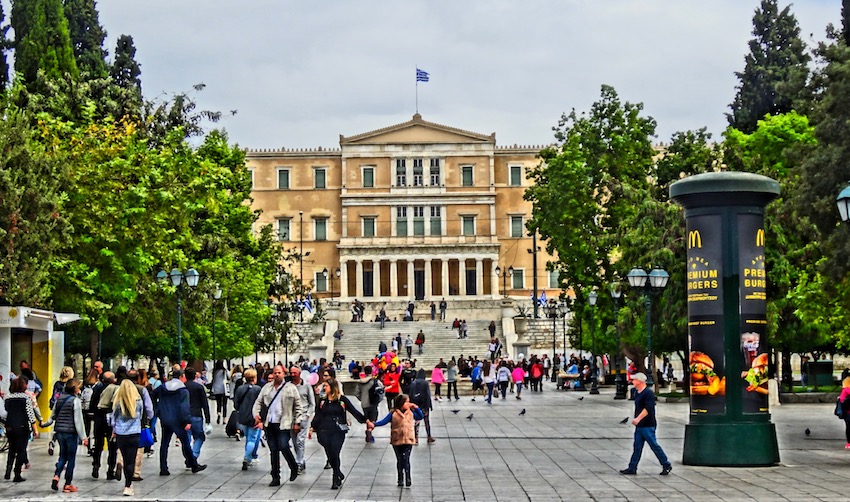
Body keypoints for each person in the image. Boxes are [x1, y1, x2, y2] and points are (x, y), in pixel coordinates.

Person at [308, 378, 371, 489]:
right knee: (330, 453)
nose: (324, 388)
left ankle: (335, 477)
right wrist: (312, 427)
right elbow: (318, 415)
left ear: (332, 387)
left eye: (326, 386)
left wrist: (365, 420)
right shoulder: (322, 401)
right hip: (324, 431)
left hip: (337, 431)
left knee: (335, 452)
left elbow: (354, 411)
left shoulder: (342, 400)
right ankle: (338, 472)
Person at [252, 364, 303, 486]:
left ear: (284, 374)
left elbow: (298, 405)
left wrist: (297, 421)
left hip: (284, 423)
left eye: (279, 372)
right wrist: (256, 414)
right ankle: (275, 476)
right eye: (275, 372)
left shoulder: (290, 388)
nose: (277, 375)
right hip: (270, 423)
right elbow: (258, 402)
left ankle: (294, 467)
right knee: (273, 450)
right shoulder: (267, 388)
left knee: (283, 445)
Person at [153, 369, 206, 476]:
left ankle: (163, 468)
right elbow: (184, 407)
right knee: (186, 443)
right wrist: (187, 420)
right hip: (178, 420)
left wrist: (158, 410)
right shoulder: (183, 390)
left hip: (165, 418)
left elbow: (152, 395)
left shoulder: (163, 387)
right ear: (182, 376)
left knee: (164, 444)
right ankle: (193, 465)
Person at [620, 372, 672, 476]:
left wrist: (638, 419)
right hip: (640, 426)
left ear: (639, 381)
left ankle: (666, 464)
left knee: (654, 445)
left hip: (648, 425)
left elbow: (648, 408)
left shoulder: (648, 393)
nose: (632, 381)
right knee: (637, 447)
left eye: (634, 380)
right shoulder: (637, 392)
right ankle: (632, 467)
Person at [372, 394, 424, 487]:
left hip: (408, 439)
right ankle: (400, 478)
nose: (409, 404)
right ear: (401, 403)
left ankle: (408, 478)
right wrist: (374, 424)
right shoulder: (393, 413)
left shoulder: (411, 413)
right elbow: (384, 421)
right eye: (407, 402)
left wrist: (416, 407)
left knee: (406, 459)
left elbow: (420, 416)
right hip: (397, 439)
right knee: (400, 459)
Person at [112, 379, 150, 496]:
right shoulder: (138, 402)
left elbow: (114, 419)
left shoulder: (118, 403)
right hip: (135, 433)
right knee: (131, 460)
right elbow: (141, 415)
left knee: (124, 456)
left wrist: (114, 429)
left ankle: (123, 471)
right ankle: (128, 486)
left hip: (121, 434)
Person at [1, 376, 38, 482]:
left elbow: (6, 412)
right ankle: (17, 474)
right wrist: (35, 428)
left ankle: (7, 472)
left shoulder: (7, 398)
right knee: (21, 450)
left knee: (11, 449)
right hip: (22, 427)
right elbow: (30, 414)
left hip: (10, 427)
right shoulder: (26, 398)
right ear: (23, 386)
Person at [92, 371, 120, 480]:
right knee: (112, 445)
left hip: (99, 418)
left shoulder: (98, 388)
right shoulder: (116, 389)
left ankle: (96, 465)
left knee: (98, 444)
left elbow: (92, 403)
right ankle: (110, 470)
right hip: (110, 418)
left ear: (102, 379)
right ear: (114, 380)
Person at [233, 368, 263, 470]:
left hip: (242, 417)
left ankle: (249, 458)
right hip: (254, 417)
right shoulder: (258, 389)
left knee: (247, 437)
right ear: (254, 377)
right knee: (252, 439)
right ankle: (247, 457)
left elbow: (236, 404)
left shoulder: (240, 389)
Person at [290, 366, 315, 474]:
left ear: (300, 373)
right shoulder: (288, 386)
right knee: (295, 441)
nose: (292, 375)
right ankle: (301, 459)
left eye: (295, 373)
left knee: (300, 440)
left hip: (303, 416)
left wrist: (308, 415)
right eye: (291, 373)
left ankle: (298, 462)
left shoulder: (307, 386)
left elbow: (312, 403)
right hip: (291, 417)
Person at [183, 367, 211, 461]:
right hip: (197, 414)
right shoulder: (199, 387)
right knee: (199, 436)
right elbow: (205, 403)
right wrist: (208, 419)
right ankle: (194, 456)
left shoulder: (182, 387)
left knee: (186, 439)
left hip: (184, 416)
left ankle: (189, 457)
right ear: (195, 375)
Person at [354, 365, 381, 444]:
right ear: (371, 372)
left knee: (367, 419)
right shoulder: (375, 381)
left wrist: (361, 398)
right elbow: (381, 390)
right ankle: (369, 431)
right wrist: (379, 399)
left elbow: (356, 393)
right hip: (373, 403)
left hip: (364, 403)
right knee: (373, 419)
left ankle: (369, 435)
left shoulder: (360, 382)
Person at [409, 369, 435, 443]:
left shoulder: (413, 383)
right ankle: (429, 436)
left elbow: (410, 394)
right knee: (426, 421)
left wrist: (411, 405)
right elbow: (427, 395)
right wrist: (429, 406)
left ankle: (416, 437)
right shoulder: (425, 383)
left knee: (417, 421)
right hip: (424, 405)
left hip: (415, 405)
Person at [210, 360, 228, 425]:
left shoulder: (214, 371)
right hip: (224, 389)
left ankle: (219, 413)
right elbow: (228, 377)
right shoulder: (224, 371)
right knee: (225, 404)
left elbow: (213, 380)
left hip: (217, 389)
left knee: (218, 403)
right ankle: (224, 419)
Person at [839, 377, 850, 449]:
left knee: (848, 428)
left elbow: (841, 400)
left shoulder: (845, 390)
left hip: (847, 412)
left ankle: (849, 443)